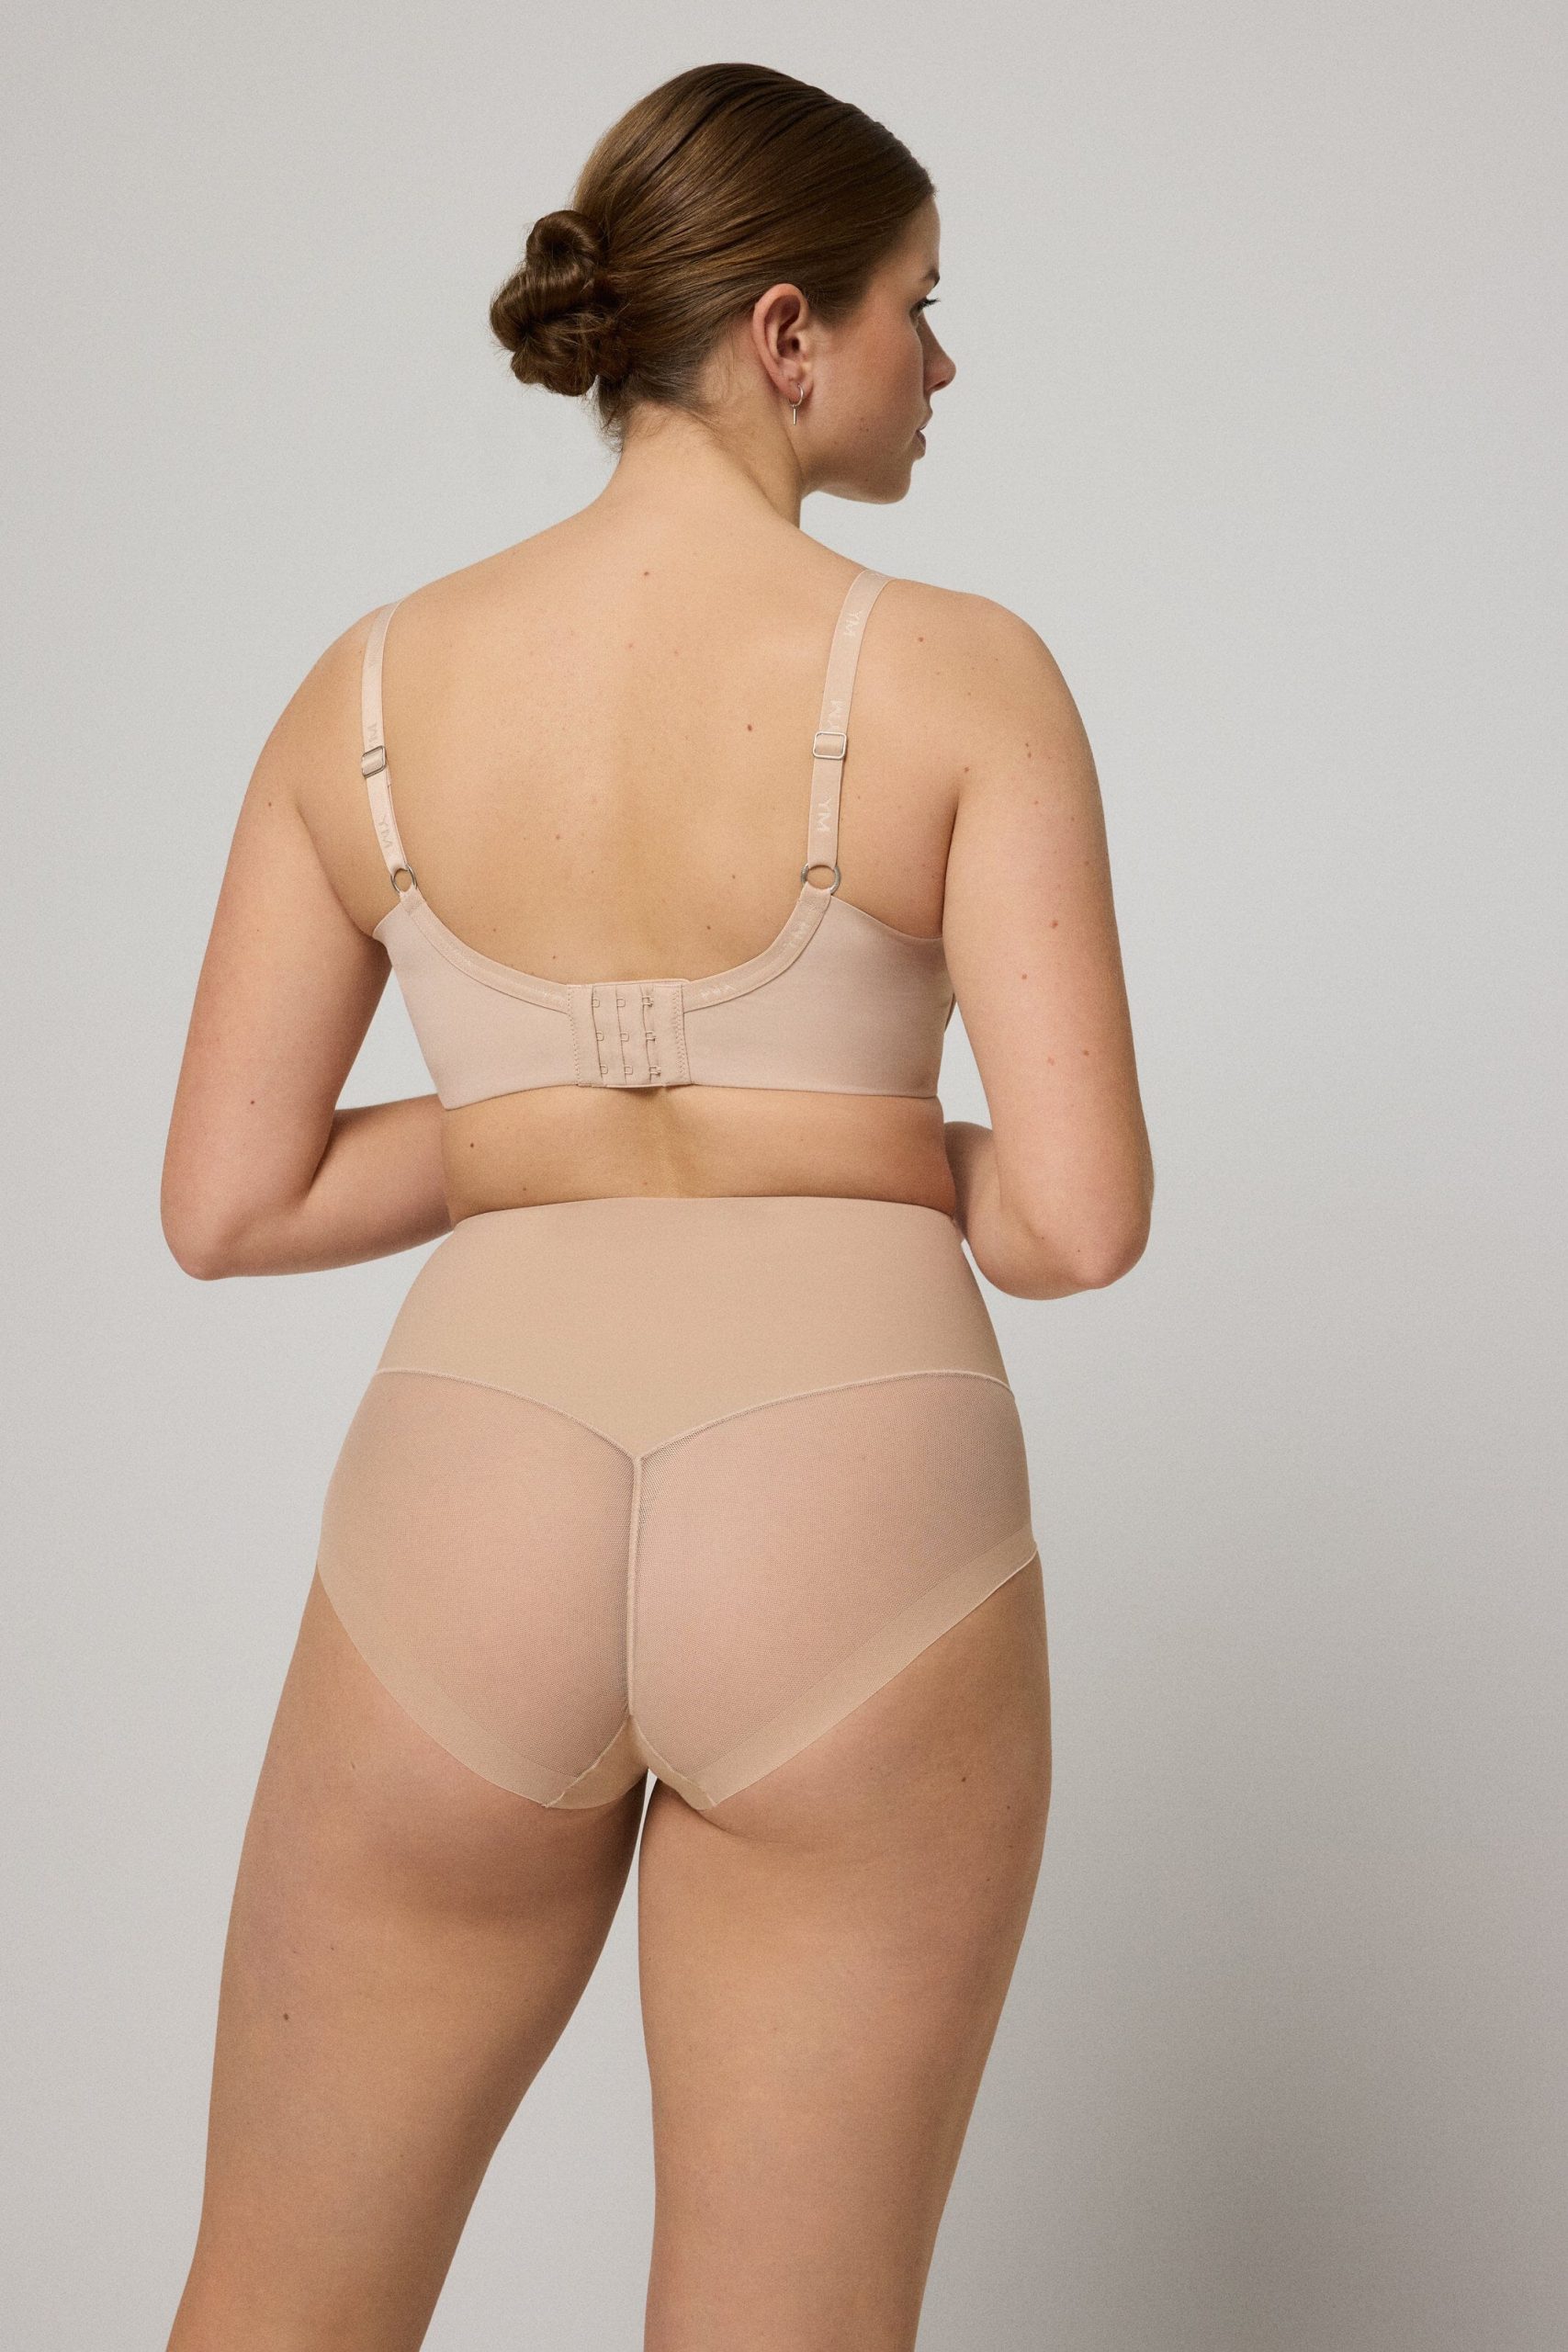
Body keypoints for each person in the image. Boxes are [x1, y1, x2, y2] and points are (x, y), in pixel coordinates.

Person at [159, 59, 1152, 2352]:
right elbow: (1073, 1218)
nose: (940, 364)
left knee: (278, 2304)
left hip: (466, 1496)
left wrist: (540, 1133)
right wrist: (840, 1136)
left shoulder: (367, 690)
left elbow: (230, 1199)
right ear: (787, 333)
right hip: (849, 1499)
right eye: (918, 305)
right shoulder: (960, 672)